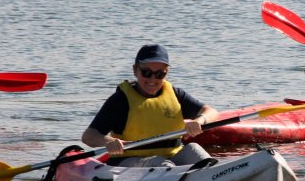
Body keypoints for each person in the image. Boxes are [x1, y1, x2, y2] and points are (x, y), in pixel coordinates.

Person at [82, 44, 219, 167]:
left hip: (172, 155)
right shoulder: (120, 100)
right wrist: (108, 141)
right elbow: (89, 136)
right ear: (135, 70)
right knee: (161, 164)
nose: (153, 79)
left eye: (159, 74)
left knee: (194, 150)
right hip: (129, 160)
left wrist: (199, 120)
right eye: (146, 72)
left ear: (166, 73)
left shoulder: (176, 95)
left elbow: (211, 111)